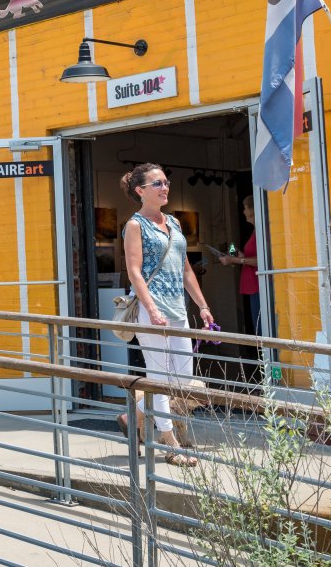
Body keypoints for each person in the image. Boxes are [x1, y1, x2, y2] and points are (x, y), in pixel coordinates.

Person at [116, 163, 214, 467]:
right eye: (157, 184)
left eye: (166, 183)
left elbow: (185, 269)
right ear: (140, 191)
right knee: (160, 379)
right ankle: (171, 445)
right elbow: (134, 272)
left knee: (183, 382)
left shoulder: (173, 223)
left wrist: (202, 305)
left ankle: (134, 413)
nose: (164, 188)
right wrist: (152, 308)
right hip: (151, 311)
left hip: (177, 309)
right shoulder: (135, 226)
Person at [219, 195, 259, 335]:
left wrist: (234, 260)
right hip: (253, 286)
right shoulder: (255, 231)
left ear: (253, 209)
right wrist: (240, 255)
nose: (243, 212)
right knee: (257, 327)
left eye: (245, 208)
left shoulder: (260, 231)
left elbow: (262, 260)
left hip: (259, 286)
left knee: (260, 328)